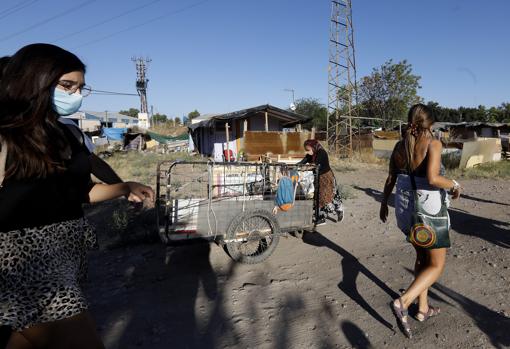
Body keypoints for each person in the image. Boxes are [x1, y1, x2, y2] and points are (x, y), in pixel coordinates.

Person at [0, 43, 154, 349]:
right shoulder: (5, 136)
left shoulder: (67, 133)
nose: (75, 95)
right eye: (66, 86)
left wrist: (124, 187)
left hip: (65, 257)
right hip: (23, 265)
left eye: (80, 88)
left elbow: (81, 192)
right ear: (34, 81)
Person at [379, 103, 461, 338]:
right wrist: (455, 184)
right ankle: (403, 301)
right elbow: (434, 178)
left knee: (421, 256)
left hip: (405, 209)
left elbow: (390, 177)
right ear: (431, 124)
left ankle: (423, 309)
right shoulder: (433, 144)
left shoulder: (399, 146)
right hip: (429, 211)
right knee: (436, 264)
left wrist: (385, 202)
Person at [298, 139, 344, 223]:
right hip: (318, 177)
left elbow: (316, 165)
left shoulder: (321, 153)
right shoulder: (311, 154)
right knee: (319, 196)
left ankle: (339, 209)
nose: (308, 152)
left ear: (313, 147)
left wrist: (306, 168)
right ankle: (321, 217)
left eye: (308, 150)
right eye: (306, 150)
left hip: (326, 177)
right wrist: (295, 166)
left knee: (330, 196)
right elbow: (303, 161)